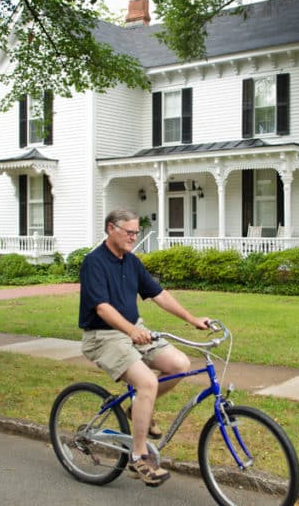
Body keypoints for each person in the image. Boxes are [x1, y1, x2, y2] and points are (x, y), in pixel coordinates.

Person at [78, 207, 211, 487]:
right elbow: (102, 308)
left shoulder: (131, 261)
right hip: (104, 336)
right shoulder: (94, 263)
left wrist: (191, 318)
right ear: (111, 229)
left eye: (136, 232)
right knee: (148, 382)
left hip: (133, 329)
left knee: (180, 365)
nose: (133, 237)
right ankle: (138, 458)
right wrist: (131, 330)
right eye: (129, 232)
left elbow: (158, 294)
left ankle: (137, 409)